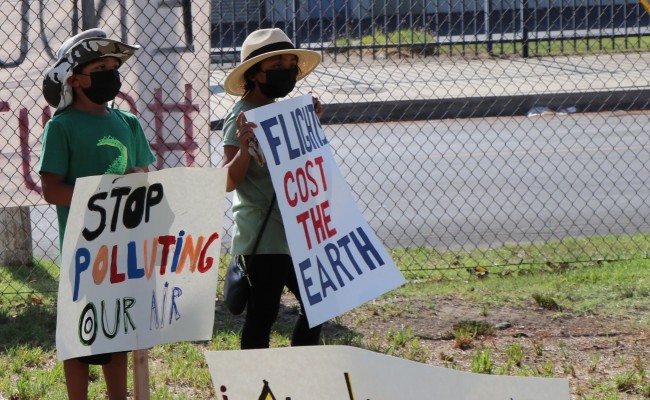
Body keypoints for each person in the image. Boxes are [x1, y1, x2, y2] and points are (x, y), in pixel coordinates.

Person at [39, 28, 156, 400]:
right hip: (82, 251)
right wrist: (99, 197)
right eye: (100, 67)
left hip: (122, 249)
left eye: (113, 67)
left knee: (116, 328)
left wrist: (139, 178)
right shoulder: (61, 127)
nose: (111, 74)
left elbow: (144, 174)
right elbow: (51, 188)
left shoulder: (129, 123)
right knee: (79, 335)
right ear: (74, 79)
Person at [221, 28, 324, 349]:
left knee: (320, 305)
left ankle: (298, 373)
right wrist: (242, 146)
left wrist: (311, 125)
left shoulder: (289, 114)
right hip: (263, 238)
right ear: (254, 74)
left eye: (290, 65)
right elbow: (228, 179)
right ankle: (255, 385)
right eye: (277, 66)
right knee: (262, 317)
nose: (287, 72)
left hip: (297, 232)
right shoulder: (241, 117)